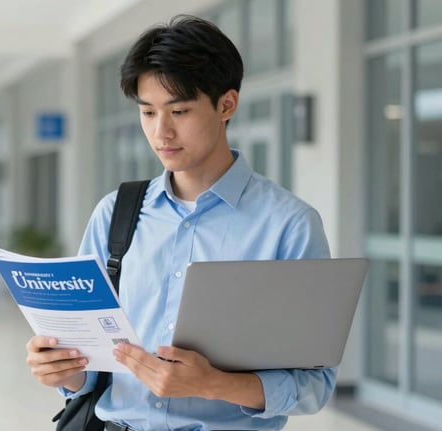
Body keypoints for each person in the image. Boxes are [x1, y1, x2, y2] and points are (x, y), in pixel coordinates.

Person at [25, 15, 334, 431]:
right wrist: (65, 372)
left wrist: (214, 384)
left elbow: (314, 384)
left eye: (180, 111)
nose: (160, 132)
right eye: (148, 112)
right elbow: (91, 366)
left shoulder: (288, 225)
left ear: (226, 104)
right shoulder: (116, 213)